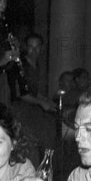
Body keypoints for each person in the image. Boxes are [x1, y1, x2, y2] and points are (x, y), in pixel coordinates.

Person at [11, 33, 58, 165]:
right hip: (21, 108)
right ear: (26, 47)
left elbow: (34, 92)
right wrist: (42, 103)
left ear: (42, 48)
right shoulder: (20, 64)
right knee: (36, 137)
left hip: (32, 106)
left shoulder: (37, 66)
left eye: (37, 47)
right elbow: (21, 93)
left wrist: (47, 101)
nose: (34, 51)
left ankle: (46, 167)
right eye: (31, 47)